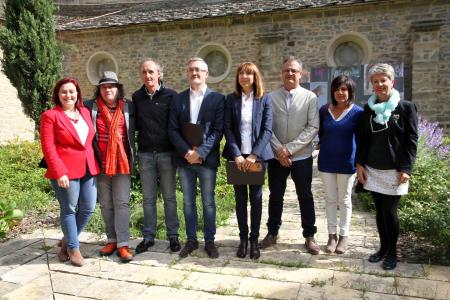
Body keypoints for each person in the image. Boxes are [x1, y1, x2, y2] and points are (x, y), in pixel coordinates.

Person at [356, 63, 418, 270]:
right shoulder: (368, 109)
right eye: (375, 81)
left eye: (384, 80)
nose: (380, 84)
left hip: (395, 171)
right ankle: (382, 249)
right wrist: (359, 165)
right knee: (380, 212)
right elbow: (363, 140)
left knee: (390, 213)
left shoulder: (406, 108)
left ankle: (392, 252)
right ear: (371, 85)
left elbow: (411, 140)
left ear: (392, 81)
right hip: (373, 169)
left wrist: (407, 169)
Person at [260, 56, 320, 255]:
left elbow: (312, 127)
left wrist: (290, 149)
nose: (290, 73)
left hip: (301, 157)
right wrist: (279, 150)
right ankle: (272, 232)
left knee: (305, 196)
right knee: (275, 196)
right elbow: (267, 127)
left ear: (301, 74)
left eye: (294, 70)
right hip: (277, 158)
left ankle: (309, 235)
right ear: (281, 73)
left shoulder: (310, 97)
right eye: (286, 70)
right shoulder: (270, 97)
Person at [168, 57, 225, 258]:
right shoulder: (178, 99)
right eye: (191, 69)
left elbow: (218, 131)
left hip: (206, 160)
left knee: (208, 202)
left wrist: (200, 153)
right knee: (188, 202)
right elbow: (173, 130)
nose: (195, 73)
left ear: (206, 74)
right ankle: (191, 240)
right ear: (188, 73)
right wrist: (188, 153)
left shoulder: (218, 99)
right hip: (184, 160)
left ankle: (210, 241)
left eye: (199, 70)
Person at [40, 77, 100, 267]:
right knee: (69, 209)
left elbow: (88, 141)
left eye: (72, 91)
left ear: (77, 94)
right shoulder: (50, 116)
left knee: (89, 207)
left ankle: (66, 240)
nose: (68, 95)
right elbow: (48, 147)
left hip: (89, 167)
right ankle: (73, 248)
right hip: (66, 171)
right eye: (64, 92)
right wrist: (59, 172)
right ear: (58, 95)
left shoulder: (84, 112)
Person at [223, 62, 273, 259]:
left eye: (249, 73)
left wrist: (253, 155)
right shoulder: (231, 99)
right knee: (240, 199)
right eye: (241, 73)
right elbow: (227, 128)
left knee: (257, 199)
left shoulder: (264, 100)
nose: (244, 76)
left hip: (257, 157)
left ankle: (254, 240)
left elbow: (267, 130)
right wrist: (236, 154)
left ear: (255, 77)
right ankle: (243, 240)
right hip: (237, 157)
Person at [84, 71, 135, 262]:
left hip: (122, 163)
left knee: (122, 203)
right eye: (104, 87)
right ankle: (111, 239)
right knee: (106, 204)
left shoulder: (128, 107)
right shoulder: (90, 107)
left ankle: (123, 244)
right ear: (99, 90)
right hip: (101, 163)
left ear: (118, 88)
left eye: (111, 86)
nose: (108, 89)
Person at [132, 59, 180, 253]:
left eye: (151, 72)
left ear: (159, 74)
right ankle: (148, 237)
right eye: (144, 72)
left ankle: (173, 236)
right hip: (145, 155)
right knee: (148, 198)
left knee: (169, 197)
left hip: (167, 154)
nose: (148, 76)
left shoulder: (171, 96)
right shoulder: (137, 97)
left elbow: (177, 125)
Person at [317, 75, 363, 254]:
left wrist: (360, 162)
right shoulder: (323, 110)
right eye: (337, 89)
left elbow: (362, 139)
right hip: (326, 161)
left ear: (350, 91)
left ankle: (344, 236)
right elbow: (321, 134)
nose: (340, 92)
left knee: (344, 200)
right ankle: (331, 235)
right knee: (330, 199)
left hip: (347, 163)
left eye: (344, 89)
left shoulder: (358, 112)